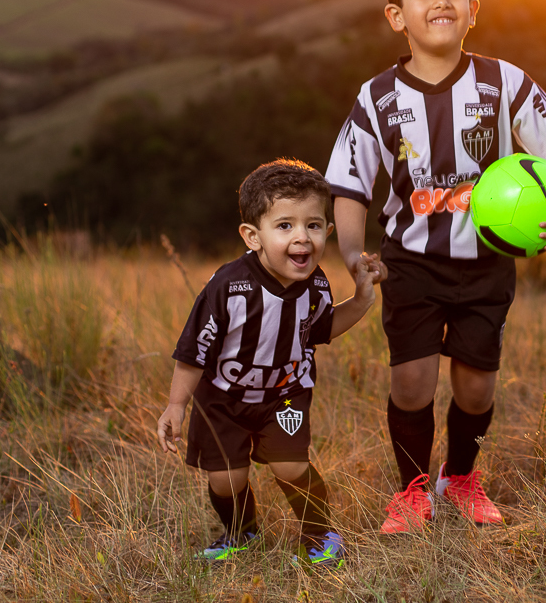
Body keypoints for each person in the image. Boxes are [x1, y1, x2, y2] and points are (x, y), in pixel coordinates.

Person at [325, 0, 546, 533]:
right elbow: (349, 186)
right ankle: (412, 489)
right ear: (397, 16)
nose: (439, 1)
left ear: (473, 8)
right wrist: (353, 254)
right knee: (412, 379)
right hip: (410, 262)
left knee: (475, 387)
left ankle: (461, 477)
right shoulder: (376, 101)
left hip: (487, 263)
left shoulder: (505, 83)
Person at [156, 159, 383, 568]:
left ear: (328, 232)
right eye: (285, 226)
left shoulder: (315, 285)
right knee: (227, 478)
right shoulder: (227, 287)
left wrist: (363, 300)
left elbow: (323, 328)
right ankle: (241, 532)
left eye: (313, 225)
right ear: (253, 236)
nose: (302, 238)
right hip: (223, 397)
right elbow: (194, 352)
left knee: (290, 466)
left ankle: (319, 535)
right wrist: (176, 404)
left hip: (286, 394)